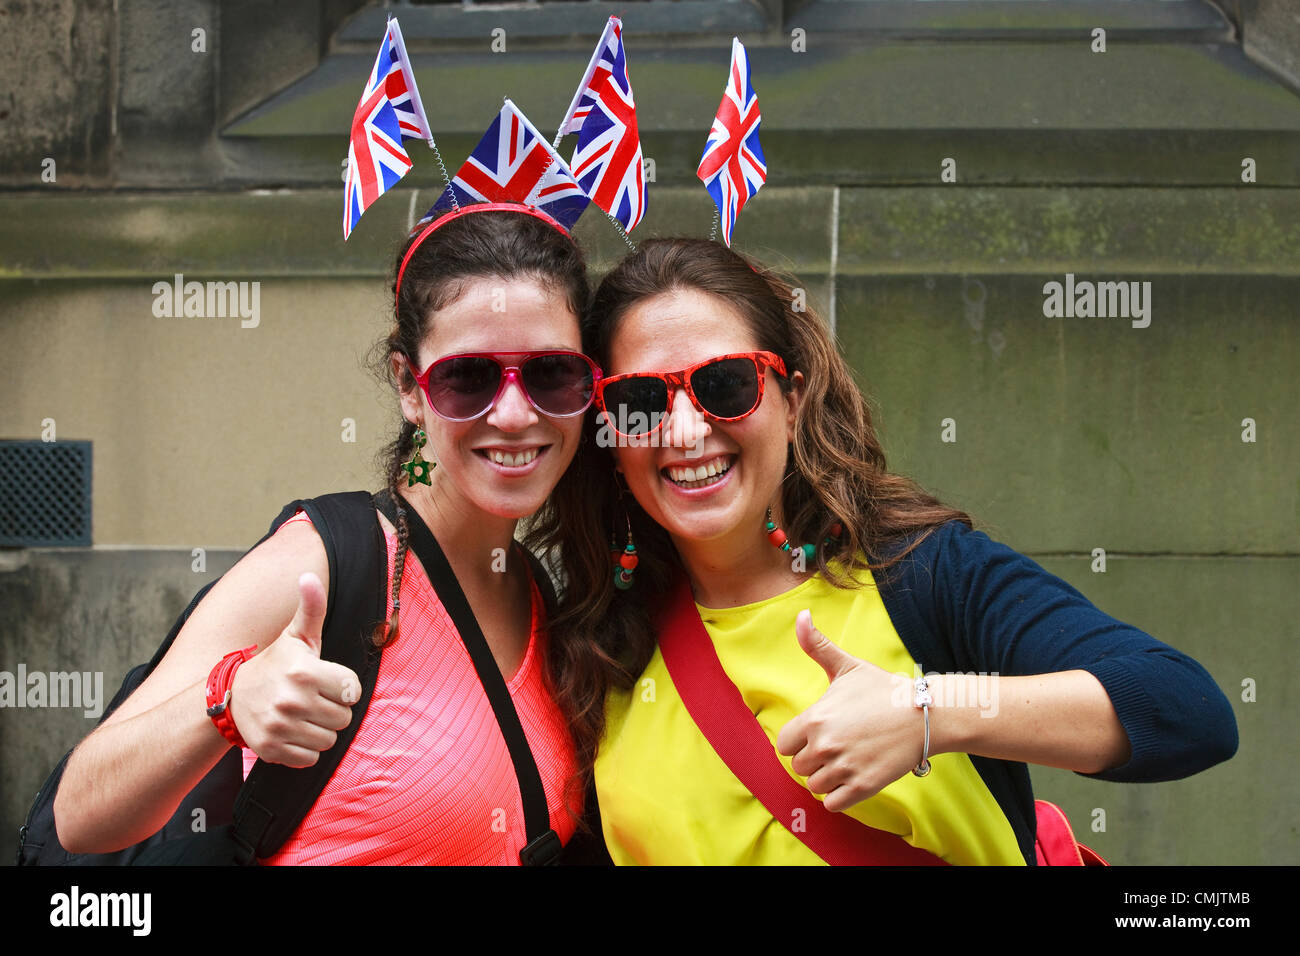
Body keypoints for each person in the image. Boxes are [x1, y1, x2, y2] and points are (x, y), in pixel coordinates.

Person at [535, 237, 1239, 865]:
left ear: (791, 398)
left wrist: (931, 713)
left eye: (725, 386)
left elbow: (1188, 711)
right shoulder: (596, 645)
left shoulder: (922, 574)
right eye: (640, 402)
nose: (684, 431)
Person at [53, 202, 606, 865]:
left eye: (550, 373)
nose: (514, 414)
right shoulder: (325, 561)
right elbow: (80, 816)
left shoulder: (537, 588)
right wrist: (228, 701)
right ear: (408, 384)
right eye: (468, 377)